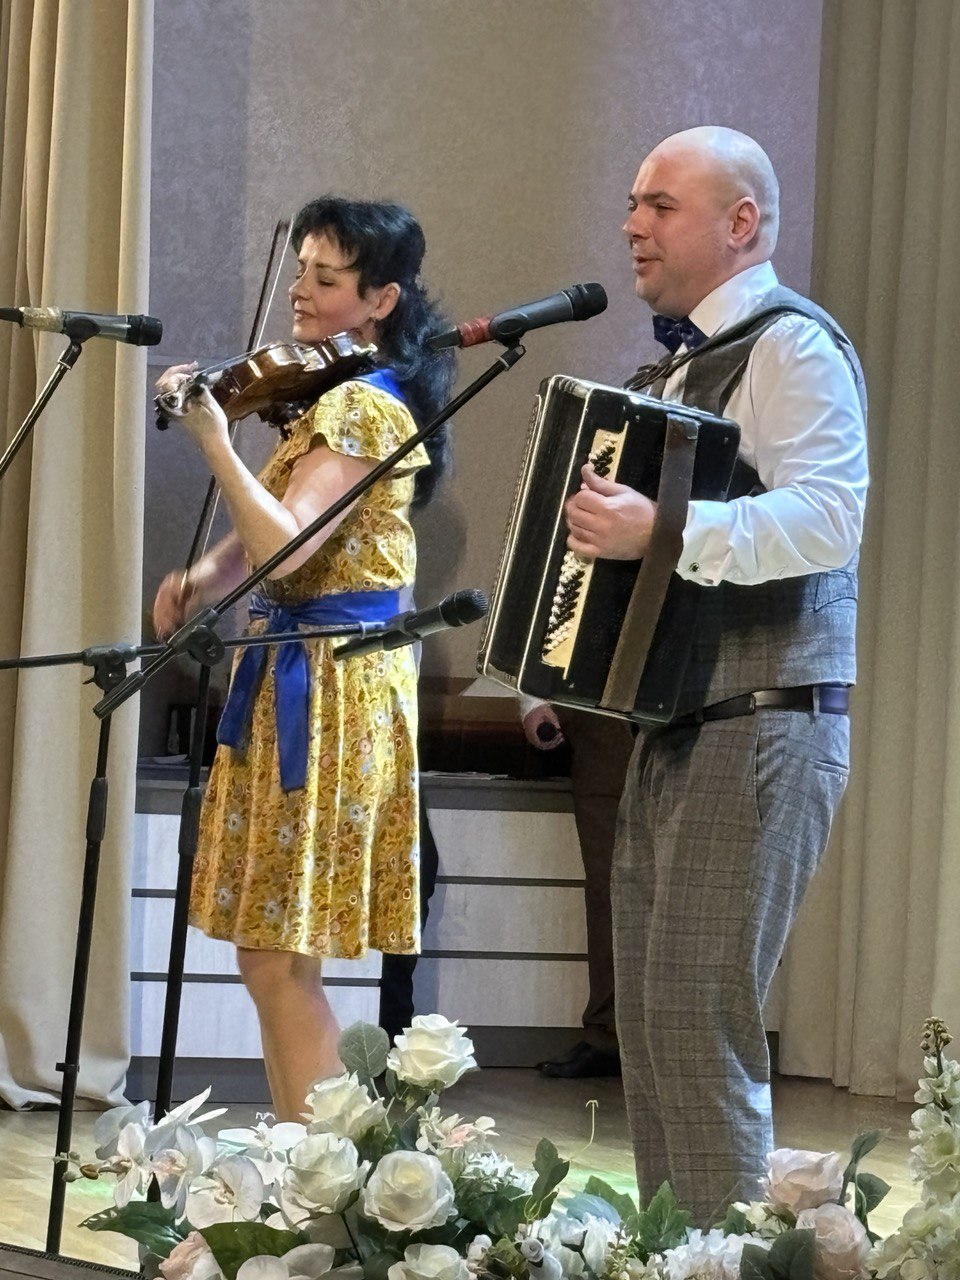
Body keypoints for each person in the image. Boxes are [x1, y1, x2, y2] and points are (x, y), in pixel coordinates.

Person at [564, 127, 867, 1223]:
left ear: (742, 223)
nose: (633, 225)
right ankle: (677, 1250)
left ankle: (721, 1257)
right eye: (632, 203)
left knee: (698, 1016)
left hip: (763, 716)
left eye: (661, 205)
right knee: (650, 1022)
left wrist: (663, 526)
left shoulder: (793, 346)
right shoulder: (679, 368)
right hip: (681, 720)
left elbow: (829, 519)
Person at [153, 197, 455, 1121]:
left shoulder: (361, 404)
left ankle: (318, 1170)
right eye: (300, 272)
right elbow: (276, 533)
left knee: (277, 957)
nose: (300, 291)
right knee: (276, 954)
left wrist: (214, 439)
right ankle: (309, 1168)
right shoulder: (330, 401)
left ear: (381, 300)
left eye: (326, 278)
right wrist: (206, 577)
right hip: (310, 669)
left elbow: (287, 548)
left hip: (327, 683)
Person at [520, 698, 633, 1077]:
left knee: (690, 887)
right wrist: (532, 701)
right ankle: (607, 1035)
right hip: (604, 712)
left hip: (698, 707)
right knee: (608, 888)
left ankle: (682, 1038)